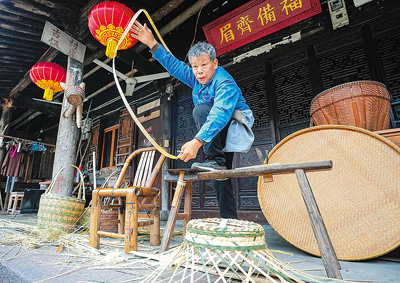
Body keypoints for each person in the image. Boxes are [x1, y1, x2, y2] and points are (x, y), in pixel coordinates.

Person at [132, 22, 254, 219]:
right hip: (215, 134)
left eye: (204, 65)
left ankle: (214, 159)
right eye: (195, 66)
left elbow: (220, 113)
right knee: (219, 176)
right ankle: (230, 220)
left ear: (215, 63)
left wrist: (197, 142)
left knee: (201, 110)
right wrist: (152, 44)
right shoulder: (196, 78)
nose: (198, 71)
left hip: (233, 126)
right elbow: (175, 67)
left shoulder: (224, 82)